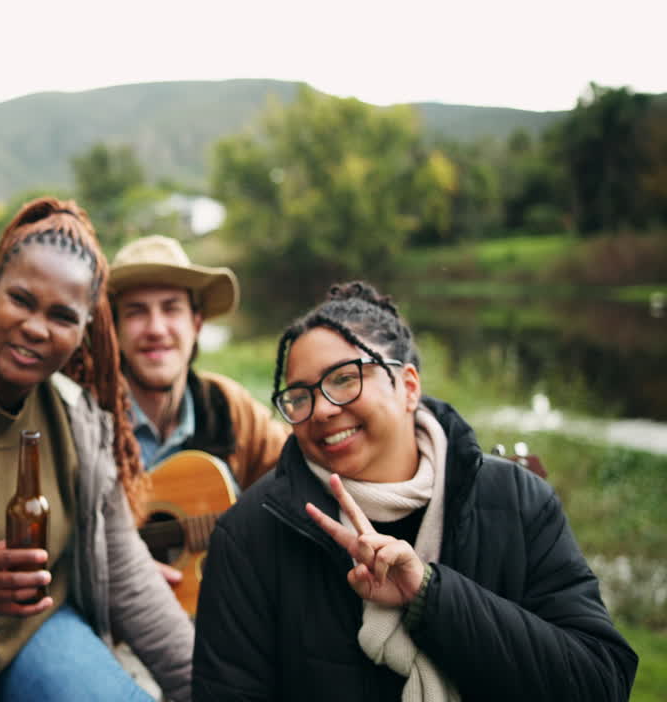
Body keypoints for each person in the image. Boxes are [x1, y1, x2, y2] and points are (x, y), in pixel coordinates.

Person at [192, 281, 638, 701]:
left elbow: (601, 681)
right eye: (300, 396)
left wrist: (429, 594)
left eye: (344, 378)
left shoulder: (519, 501)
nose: (322, 409)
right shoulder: (249, 533)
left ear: (408, 387)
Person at [0, 199, 193, 701]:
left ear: (85, 330)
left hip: (39, 633)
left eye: (63, 316)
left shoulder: (77, 418)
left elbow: (127, 574)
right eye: (21, 300)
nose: (36, 327)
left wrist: (213, 688)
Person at [108, 234, 288, 486]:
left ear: (196, 324)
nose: (156, 329)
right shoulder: (87, 418)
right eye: (136, 312)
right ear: (114, 330)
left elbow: (302, 464)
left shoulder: (230, 407)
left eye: (171, 308)